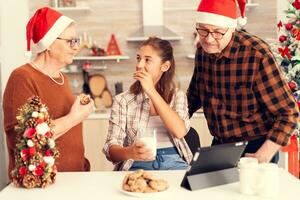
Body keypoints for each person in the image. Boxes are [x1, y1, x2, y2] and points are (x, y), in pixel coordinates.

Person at [187, 0, 300, 163]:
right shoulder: (202, 52)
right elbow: (193, 97)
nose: (209, 39)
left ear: (231, 29)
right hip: (219, 145)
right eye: (203, 31)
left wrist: (265, 153)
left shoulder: (257, 55)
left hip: (255, 147)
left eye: (218, 32)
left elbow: (289, 112)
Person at [3, 7, 94, 176]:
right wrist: (74, 117)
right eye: (70, 41)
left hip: (73, 178)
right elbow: (25, 138)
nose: (76, 47)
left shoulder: (61, 78)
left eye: (76, 41)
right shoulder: (22, 77)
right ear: (50, 43)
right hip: (40, 184)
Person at [103, 37, 193, 171]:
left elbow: (179, 131)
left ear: (165, 66)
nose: (139, 65)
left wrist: (151, 91)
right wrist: (131, 152)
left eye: (147, 60)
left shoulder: (177, 96)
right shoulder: (123, 100)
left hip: (174, 161)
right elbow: (110, 150)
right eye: (138, 58)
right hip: (137, 164)